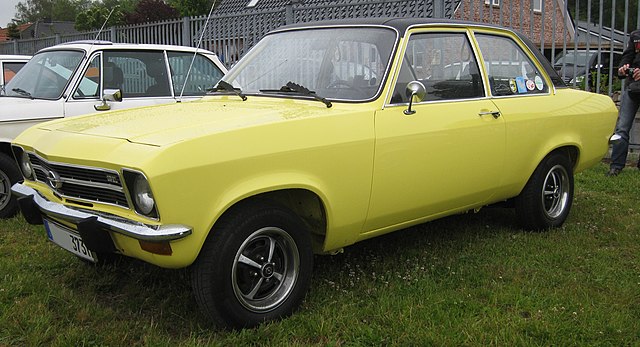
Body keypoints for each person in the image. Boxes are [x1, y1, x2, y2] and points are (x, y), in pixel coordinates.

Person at [608, 29, 640, 176]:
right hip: (632, 89)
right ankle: (616, 166)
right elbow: (627, 56)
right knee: (621, 129)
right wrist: (623, 68)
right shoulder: (636, 36)